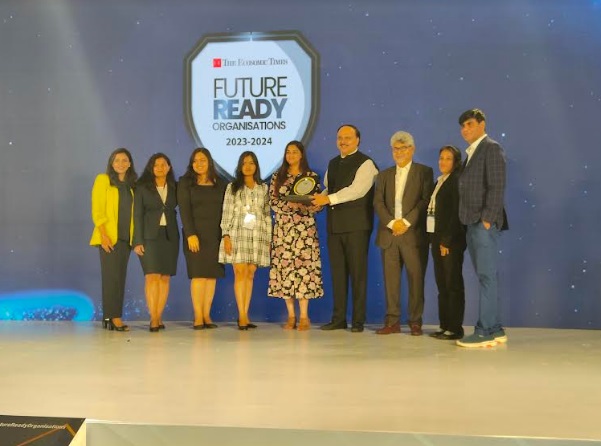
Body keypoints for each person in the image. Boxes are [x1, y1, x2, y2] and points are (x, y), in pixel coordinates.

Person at [312, 124, 378, 333]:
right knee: (338, 275)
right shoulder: (333, 163)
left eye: (348, 137)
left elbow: (357, 191)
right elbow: (328, 189)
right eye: (340, 137)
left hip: (357, 226)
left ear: (358, 140)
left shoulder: (366, 163)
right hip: (335, 226)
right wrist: (318, 201)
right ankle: (338, 318)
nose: (343, 141)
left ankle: (358, 321)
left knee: (358, 274)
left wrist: (328, 199)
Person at [455, 109, 509, 348]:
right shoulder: (472, 152)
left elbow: (497, 186)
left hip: (482, 223)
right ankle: (495, 329)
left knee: (487, 277)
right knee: (486, 277)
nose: (465, 129)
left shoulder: (491, 148)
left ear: (482, 124)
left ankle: (485, 331)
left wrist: (487, 219)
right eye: (462, 126)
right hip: (472, 222)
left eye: (469, 124)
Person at [373, 131, 433, 336]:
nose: (398, 152)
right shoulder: (383, 175)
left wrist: (406, 222)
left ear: (412, 149)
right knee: (391, 282)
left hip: (413, 235)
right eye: (395, 149)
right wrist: (392, 223)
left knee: (416, 279)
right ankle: (392, 321)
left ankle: (415, 322)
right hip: (389, 235)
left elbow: (425, 200)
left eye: (403, 148)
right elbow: (378, 202)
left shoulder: (424, 172)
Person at [268, 141, 324, 331]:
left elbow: (318, 203)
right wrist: (290, 205)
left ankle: (305, 317)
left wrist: (313, 206)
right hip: (283, 231)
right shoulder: (277, 177)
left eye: (294, 152)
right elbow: (273, 202)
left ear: (301, 155)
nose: (291, 155)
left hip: (305, 231)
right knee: (285, 272)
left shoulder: (311, 177)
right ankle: (291, 316)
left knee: (304, 272)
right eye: (288, 152)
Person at [218, 151, 271, 330]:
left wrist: (268, 238)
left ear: (256, 166)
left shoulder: (263, 188)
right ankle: (241, 315)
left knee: (250, 273)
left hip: (257, 234)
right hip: (237, 233)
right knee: (240, 272)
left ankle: (246, 314)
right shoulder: (232, 187)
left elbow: (266, 214)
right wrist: (226, 235)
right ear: (240, 166)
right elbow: (226, 212)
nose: (248, 166)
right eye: (244, 163)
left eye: (251, 163)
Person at [177, 148, 226, 330]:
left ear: (209, 162)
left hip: (215, 235)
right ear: (191, 163)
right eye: (195, 160)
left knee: (211, 276)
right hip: (195, 235)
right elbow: (184, 210)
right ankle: (198, 316)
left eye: (203, 160)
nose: (199, 163)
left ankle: (207, 315)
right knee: (198, 276)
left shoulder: (220, 183)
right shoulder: (185, 183)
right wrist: (190, 234)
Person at [90, 148, 137, 331]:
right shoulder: (103, 180)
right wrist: (103, 235)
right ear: (111, 163)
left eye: (124, 160)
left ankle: (110, 317)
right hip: (108, 238)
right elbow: (97, 209)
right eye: (117, 160)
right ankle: (114, 317)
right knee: (111, 278)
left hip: (125, 238)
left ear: (130, 164)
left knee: (120, 278)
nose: (120, 164)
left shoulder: (132, 186)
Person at [133, 153, 179, 333]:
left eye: (163, 164)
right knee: (152, 276)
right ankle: (153, 317)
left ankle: (159, 316)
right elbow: (137, 215)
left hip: (170, 236)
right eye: (156, 165)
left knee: (165, 277)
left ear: (169, 167)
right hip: (149, 237)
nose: (160, 168)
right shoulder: (142, 188)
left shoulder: (175, 187)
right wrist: (137, 241)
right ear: (151, 168)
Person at [427, 146, 466, 340]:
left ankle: (455, 328)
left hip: (450, 241)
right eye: (441, 158)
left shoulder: (456, 180)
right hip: (436, 239)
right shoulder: (440, 181)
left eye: (448, 158)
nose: (443, 162)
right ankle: (444, 325)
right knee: (442, 284)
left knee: (452, 284)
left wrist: (447, 241)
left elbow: (457, 213)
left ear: (456, 161)